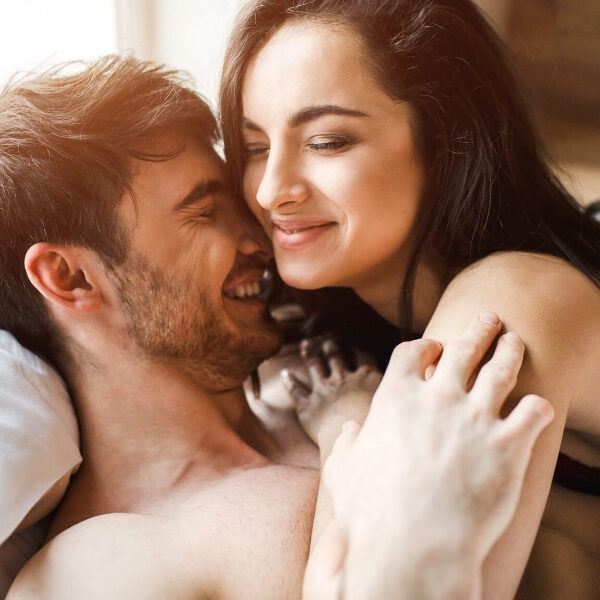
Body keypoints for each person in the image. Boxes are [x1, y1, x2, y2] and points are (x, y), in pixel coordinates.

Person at [0, 56, 552, 599]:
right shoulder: (96, 569)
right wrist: (350, 432)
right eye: (202, 210)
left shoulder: (337, 365)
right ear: (69, 276)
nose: (260, 237)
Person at [219, 0, 600, 597]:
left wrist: (348, 424)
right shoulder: (345, 330)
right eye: (257, 148)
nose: (270, 191)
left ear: (448, 143)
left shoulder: (510, 302)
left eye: (327, 141)